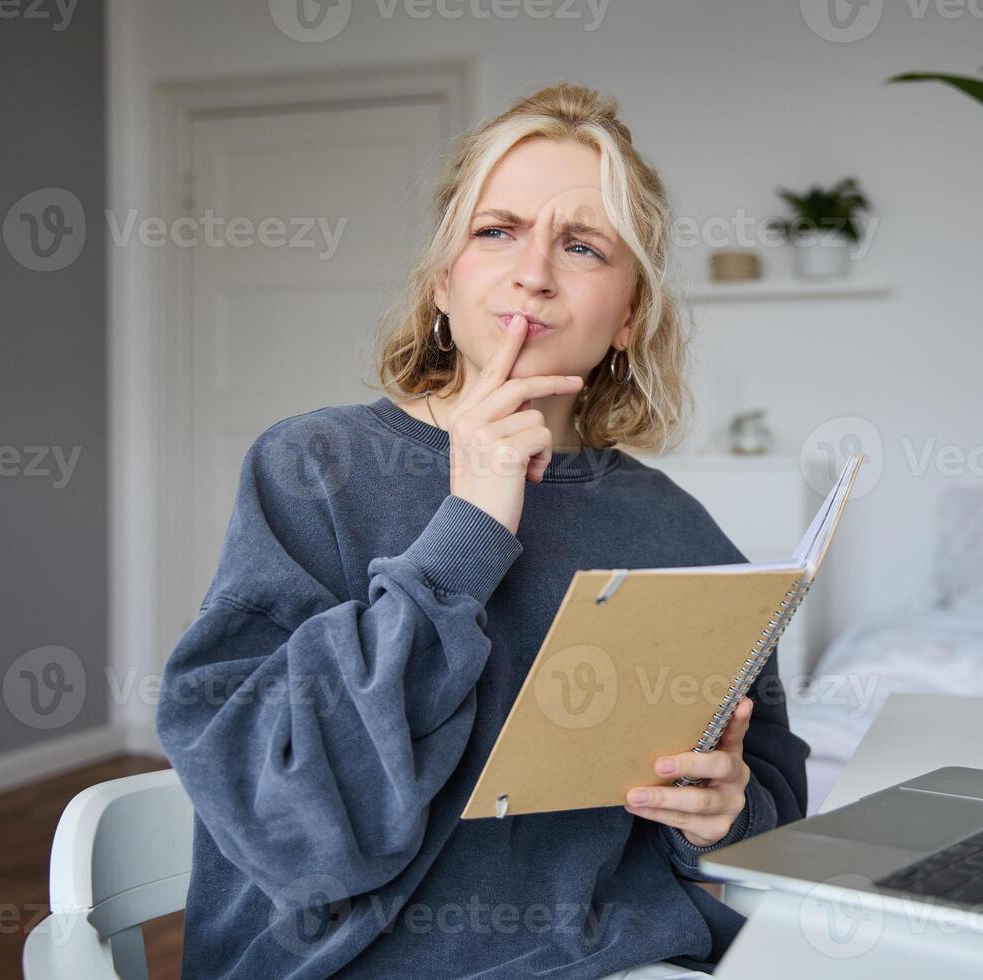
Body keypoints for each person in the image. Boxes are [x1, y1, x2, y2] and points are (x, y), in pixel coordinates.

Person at [156, 81, 810, 979]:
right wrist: (468, 529)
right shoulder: (314, 467)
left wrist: (728, 812)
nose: (533, 271)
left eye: (582, 245)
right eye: (496, 231)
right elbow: (285, 819)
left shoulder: (673, 526)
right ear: (442, 282)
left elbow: (769, 789)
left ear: (628, 318)